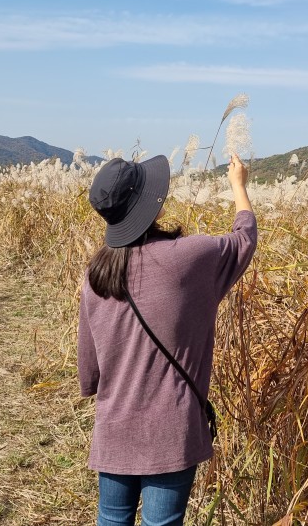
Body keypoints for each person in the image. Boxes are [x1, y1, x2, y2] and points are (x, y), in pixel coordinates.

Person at [78, 153, 257, 526]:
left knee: (111, 519)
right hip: (170, 429)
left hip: (114, 423)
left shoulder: (95, 273)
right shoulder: (189, 256)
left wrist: (97, 383)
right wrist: (238, 186)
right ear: (151, 205)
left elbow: (89, 368)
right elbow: (244, 239)